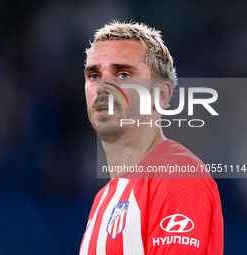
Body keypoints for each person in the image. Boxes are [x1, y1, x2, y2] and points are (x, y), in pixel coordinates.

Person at [79, 21, 223, 255]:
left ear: (161, 95)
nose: (103, 86)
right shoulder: (103, 198)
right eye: (94, 75)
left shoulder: (177, 174)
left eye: (123, 74)